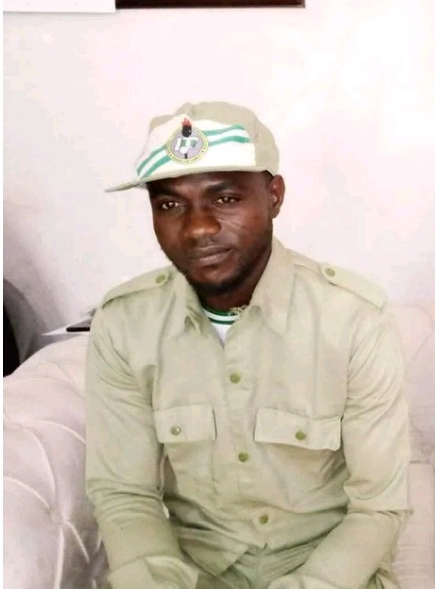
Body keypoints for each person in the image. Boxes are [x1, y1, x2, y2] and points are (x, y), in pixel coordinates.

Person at [85, 102, 411, 589]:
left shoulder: (354, 318)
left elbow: (378, 507)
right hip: (188, 571)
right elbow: (124, 495)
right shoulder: (124, 324)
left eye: (225, 198)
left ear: (274, 197)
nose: (197, 227)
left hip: (323, 572)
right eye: (170, 205)